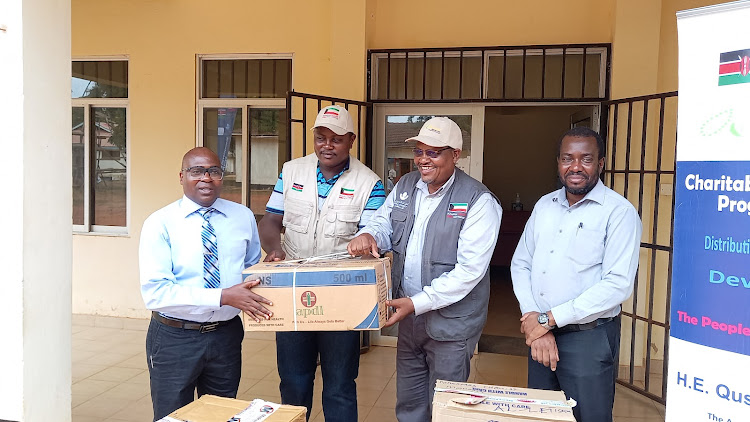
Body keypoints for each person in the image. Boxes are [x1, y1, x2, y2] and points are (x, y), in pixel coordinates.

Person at [347, 117, 503, 421]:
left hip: (451, 325)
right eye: (419, 152)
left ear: (455, 155)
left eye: (433, 153)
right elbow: (383, 222)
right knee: (409, 401)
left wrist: (416, 304)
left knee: (446, 407)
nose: (422, 160)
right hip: (411, 319)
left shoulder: (479, 201)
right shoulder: (406, 186)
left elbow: (470, 271)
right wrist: (368, 234)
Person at [257, 105, 385, 421]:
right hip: (292, 290)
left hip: (341, 296)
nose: (327, 145)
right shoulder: (290, 171)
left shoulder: (370, 183)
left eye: (336, 139)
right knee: (293, 381)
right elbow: (271, 221)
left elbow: (373, 232)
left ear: (351, 140)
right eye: (320, 138)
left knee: (340, 384)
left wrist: (367, 240)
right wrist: (274, 250)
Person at [510, 127, 642, 422]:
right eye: (567, 158)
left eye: (586, 159)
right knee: (541, 414)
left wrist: (547, 320)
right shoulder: (545, 205)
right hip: (541, 334)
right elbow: (521, 263)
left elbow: (617, 285)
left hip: (588, 338)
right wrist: (534, 317)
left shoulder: (619, 213)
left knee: (588, 416)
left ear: (601, 163)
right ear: (558, 162)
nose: (575, 167)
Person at [139, 147, 272, 421]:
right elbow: (156, 292)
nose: (206, 178)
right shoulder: (160, 223)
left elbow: (249, 269)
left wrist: (269, 271)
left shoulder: (243, 216)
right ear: (181, 176)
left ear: (222, 176)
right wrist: (222, 296)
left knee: (221, 415)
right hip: (175, 338)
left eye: (213, 171)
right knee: (173, 417)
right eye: (197, 171)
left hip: (226, 335)